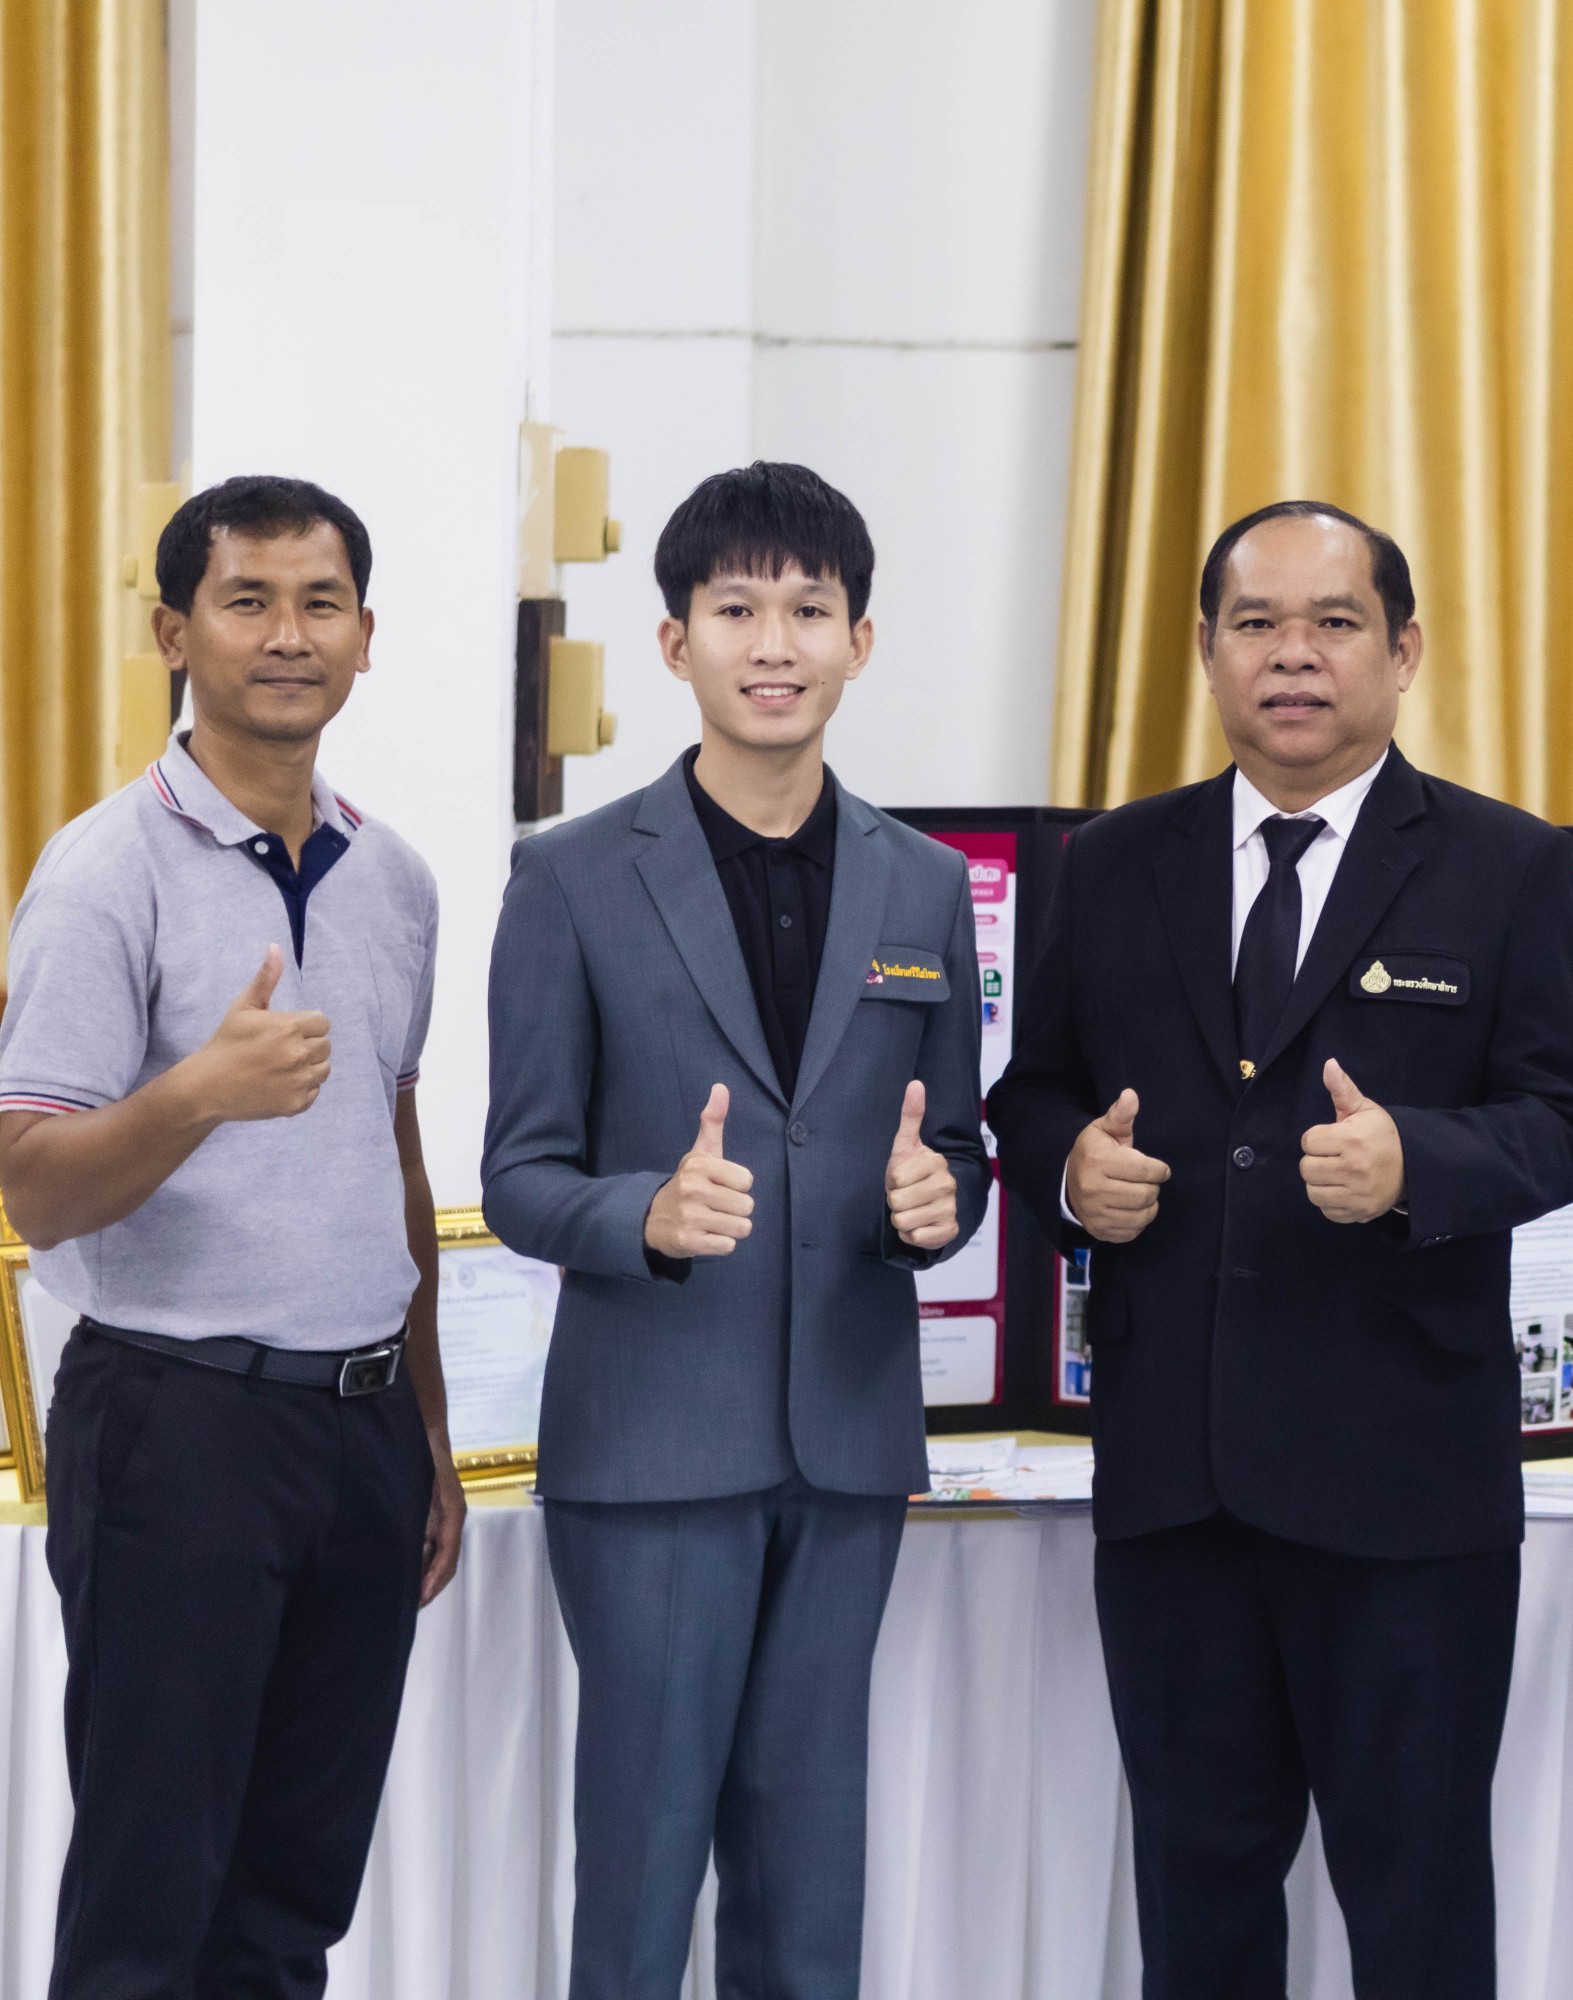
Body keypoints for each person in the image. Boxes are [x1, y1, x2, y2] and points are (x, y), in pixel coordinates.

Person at [989, 500, 1573, 1999]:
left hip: (1406, 1491)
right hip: (1176, 1486)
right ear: (1206, 651)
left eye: (1335, 623)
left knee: (1417, 1914)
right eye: (1256, 624)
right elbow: (1034, 1092)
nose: (1294, 656)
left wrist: (1416, 1166)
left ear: (1405, 652)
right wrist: (1071, 1170)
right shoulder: (1111, 861)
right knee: (1197, 1906)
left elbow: (1562, 1123)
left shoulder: (1505, 865)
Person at [481, 463, 989, 2000]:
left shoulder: (925, 884)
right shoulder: (571, 876)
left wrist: (937, 1206)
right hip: (650, 1450)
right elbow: (520, 1174)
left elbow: (951, 1146)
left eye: (810, 611)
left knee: (809, 1874)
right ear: (674, 641)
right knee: (643, 1873)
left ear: (861, 641)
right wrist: (644, 1212)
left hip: (847, 1443)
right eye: (737, 610)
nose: (775, 643)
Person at [0, 477, 464, 1995]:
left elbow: (394, 1162)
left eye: (320, 603)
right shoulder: (102, 872)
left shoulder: (395, 879)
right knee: (151, 1904)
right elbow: (32, 1185)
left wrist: (427, 1431)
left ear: (366, 637)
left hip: (359, 1429)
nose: (287, 636)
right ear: (172, 634)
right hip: (176, 1425)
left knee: (290, 1906)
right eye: (246, 600)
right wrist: (197, 1092)